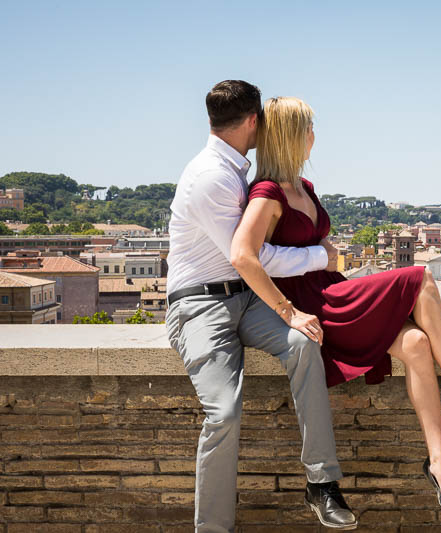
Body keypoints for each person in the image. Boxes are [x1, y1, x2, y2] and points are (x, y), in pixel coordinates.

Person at [230, 96, 441, 519]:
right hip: (316, 306)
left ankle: (439, 464)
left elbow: (314, 244)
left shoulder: (303, 188)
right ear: (292, 136)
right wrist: (289, 312)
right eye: (309, 128)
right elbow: (242, 255)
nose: (314, 136)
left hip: (332, 290)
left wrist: (322, 249)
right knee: (419, 278)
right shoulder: (267, 192)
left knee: (417, 343)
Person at [165, 81, 358, 532]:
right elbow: (249, 255)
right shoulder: (212, 176)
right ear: (253, 122)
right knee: (224, 412)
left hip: (245, 298)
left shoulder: (238, 171)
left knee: (303, 343)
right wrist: (322, 257)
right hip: (200, 306)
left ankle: (321, 482)